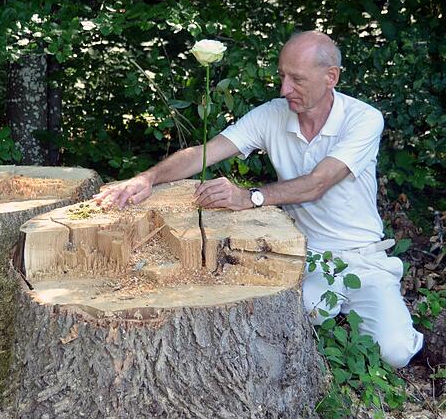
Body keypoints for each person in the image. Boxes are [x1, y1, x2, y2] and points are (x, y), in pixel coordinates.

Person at [93, 30, 423, 368]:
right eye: (281, 76)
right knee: (293, 317)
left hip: (363, 256)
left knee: (395, 353)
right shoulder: (272, 114)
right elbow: (204, 154)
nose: (284, 89)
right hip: (305, 255)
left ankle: (369, 316)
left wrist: (248, 197)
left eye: (297, 79)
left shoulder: (363, 118)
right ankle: (332, 321)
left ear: (331, 77)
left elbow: (317, 184)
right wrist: (147, 177)